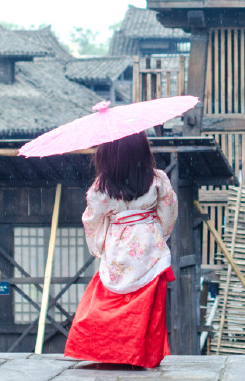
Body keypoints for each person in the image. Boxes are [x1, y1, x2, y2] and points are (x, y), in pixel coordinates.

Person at [64, 131, 178, 368]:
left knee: (109, 303)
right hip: (150, 247)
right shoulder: (157, 179)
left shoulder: (101, 186)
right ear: (142, 150)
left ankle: (108, 351)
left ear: (107, 152)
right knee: (146, 309)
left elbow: (92, 220)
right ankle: (142, 355)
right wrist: (160, 234)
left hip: (117, 248)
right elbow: (169, 210)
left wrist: (98, 245)